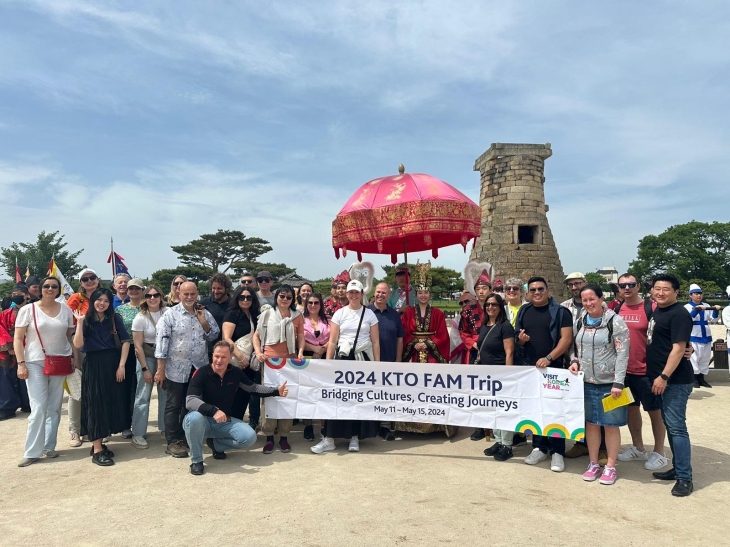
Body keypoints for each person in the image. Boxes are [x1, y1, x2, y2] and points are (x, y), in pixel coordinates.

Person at [183, 341, 289, 475]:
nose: (219, 360)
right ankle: (197, 460)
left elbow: (254, 388)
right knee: (193, 418)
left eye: (223, 357)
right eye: (216, 356)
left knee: (249, 437)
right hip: (202, 421)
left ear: (230, 358)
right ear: (212, 356)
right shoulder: (201, 373)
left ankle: (216, 445)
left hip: (223, 422)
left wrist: (276, 391)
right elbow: (190, 401)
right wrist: (214, 411)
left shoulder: (235, 373)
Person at [567, 284, 630, 485]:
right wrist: (574, 361)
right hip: (586, 382)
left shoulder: (615, 322)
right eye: (585, 300)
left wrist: (619, 382)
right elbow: (573, 348)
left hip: (610, 383)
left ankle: (610, 466)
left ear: (602, 298)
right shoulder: (580, 321)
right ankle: (593, 463)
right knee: (591, 424)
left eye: (592, 299)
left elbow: (622, 353)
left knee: (610, 426)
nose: (588, 303)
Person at [313, 279, 380, 453]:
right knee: (338, 397)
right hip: (342, 359)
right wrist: (328, 363)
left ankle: (355, 436)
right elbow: (333, 341)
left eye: (357, 292)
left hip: (362, 359)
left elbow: (375, 341)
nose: (353, 295)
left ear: (361, 294)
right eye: (351, 292)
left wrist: (378, 365)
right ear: (347, 294)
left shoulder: (370, 315)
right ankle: (329, 438)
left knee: (358, 398)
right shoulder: (339, 314)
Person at [154, 281, 220, 459]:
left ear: (197, 293)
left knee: (192, 404)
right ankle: (173, 441)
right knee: (174, 405)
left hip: (198, 367)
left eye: (192, 294)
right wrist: (160, 369)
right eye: (186, 294)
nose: (189, 297)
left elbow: (214, 334)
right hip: (176, 367)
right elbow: (162, 343)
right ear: (179, 294)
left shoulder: (203, 312)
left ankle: (186, 436)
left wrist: (203, 321)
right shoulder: (170, 315)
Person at [14, 276, 75, 467]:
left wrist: (74, 359)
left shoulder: (65, 309)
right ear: (40, 289)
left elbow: (68, 336)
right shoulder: (27, 310)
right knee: (39, 407)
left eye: (54, 286)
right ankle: (32, 451)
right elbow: (18, 338)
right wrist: (21, 363)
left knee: (54, 407)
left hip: (60, 361)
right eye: (46, 286)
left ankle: (49, 445)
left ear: (58, 289)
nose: (50, 289)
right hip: (34, 361)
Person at [515, 276, 573, 472]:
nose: (537, 293)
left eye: (540, 289)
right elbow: (518, 338)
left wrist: (549, 357)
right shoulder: (524, 310)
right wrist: (521, 340)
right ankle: (539, 447)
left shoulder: (561, 312)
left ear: (547, 291)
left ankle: (557, 451)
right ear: (528, 293)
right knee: (534, 408)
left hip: (554, 367)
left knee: (555, 409)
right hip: (530, 368)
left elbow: (566, 339)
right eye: (533, 290)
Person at [646, 274, 695, 497]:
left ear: (676, 292)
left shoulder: (679, 314)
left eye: (666, 289)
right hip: (661, 378)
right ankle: (678, 469)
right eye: (657, 288)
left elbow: (678, 349)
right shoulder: (659, 310)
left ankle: (685, 477)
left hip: (674, 381)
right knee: (670, 424)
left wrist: (664, 377)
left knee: (676, 427)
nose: (661, 293)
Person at [614, 273, 668, 471]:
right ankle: (638, 447)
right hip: (624, 371)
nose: (627, 288)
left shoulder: (651, 307)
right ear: (618, 288)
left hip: (647, 370)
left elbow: (667, 332)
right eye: (622, 285)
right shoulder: (617, 309)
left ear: (638, 286)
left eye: (631, 284)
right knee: (631, 409)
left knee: (655, 411)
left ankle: (660, 452)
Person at [72, 288, 131, 466]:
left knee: (109, 402)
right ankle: (97, 449)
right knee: (95, 404)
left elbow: (126, 341)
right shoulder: (86, 319)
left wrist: (121, 366)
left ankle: (99, 443)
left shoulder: (114, 319)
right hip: (93, 364)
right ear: (93, 300)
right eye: (99, 300)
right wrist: (80, 323)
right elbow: (78, 344)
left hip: (112, 363)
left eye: (106, 301)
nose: (102, 303)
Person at [396, 263, 454, 437]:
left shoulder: (438, 314)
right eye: (420, 293)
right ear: (416, 295)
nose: (423, 295)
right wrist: (414, 343)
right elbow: (404, 334)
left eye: (426, 293)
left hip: (432, 356)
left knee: (433, 388)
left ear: (430, 295)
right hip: (413, 353)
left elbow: (443, 335)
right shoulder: (407, 314)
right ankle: (407, 425)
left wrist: (428, 343)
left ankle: (435, 425)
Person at [252, 284, 303, 453]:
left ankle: (284, 437)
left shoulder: (297, 315)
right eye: (282, 296)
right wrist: (258, 352)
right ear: (277, 297)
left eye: (289, 297)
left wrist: (300, 352)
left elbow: (301, 336)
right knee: (269, 397)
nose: (285, 300)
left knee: (286, 397)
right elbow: (256, 336)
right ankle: (268, 436)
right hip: (269, 361)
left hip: (289, 360)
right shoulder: (267, 314)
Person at [65, 267, 102, 447]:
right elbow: (68, 327)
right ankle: (75, 431)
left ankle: (91, 429)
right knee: (77, 392)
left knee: (95, 392)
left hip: (99, 350)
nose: (89, 281)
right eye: (85, 279)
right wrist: (74, 356)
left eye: (92, 277)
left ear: (97, 279)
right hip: (79, 347)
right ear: (80, 283)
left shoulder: (103, 296)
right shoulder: (76, 300)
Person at [478, 294, 516, 460]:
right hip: (486, 374)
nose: (490, 307)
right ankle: (499, 440)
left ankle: (507, 444)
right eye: (488, 304)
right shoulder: (484, 325)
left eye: (494, 304)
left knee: (504, 409)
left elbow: (509, 352)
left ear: (501, 307)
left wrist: (507, 376)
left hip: (501, 373)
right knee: (492, 409)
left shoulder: (505, 326)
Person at [130, 284, 167, 449]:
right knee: (143, 396)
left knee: (165, 394)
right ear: (145, 298)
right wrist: (145, 369)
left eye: (156, 295)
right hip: (147, 356)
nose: (153, 298)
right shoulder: (140, 317)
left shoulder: (168, 313)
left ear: (161, 296)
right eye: (149, 296)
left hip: (165, 358)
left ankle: (166, 428)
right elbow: (138, 346)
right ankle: (138, 433)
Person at [221, 285, 261, 426]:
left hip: (250, 363)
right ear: (236, 298)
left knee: (244, 395)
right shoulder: (232, 314)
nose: (245, 300)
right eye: (241, 297)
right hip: (235, 362)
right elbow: (227, 338)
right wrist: (241, 357)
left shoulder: (255, 315)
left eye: (248, 297)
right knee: (230, 396)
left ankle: (237, 426)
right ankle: (224, 428)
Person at [369, 282, 404, 441]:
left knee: (386, 395)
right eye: (378, 292)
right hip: (369, 361)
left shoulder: (394, 314)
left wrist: (398, 359)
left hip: (389, 360)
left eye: (384, 293)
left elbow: (399, 338)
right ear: (374, 293)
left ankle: (384, 426)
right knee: (370, 394)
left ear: (389, 295)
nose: (380, 295)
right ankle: (370, 426)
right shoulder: (366, 312)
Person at [114, 278, 145, 439]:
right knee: (127, 389)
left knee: (141, 389)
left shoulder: (148, 308)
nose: (133, 291)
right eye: (131, 289)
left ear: (142, 290)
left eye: (137, 289)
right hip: (127, 351)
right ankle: (126, 424)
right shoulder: (119, 310)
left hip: (145, 351)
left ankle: (139, 424)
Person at [301, 292, 330, 440]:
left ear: (321, 305)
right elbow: (298, 338)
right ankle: (309, 425)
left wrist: (322, 349)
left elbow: (334, 338)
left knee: (324, 393)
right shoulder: (301, 320)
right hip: (306, 358)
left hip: (325, 358)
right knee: (308, 393)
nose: (313, 305)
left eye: (316, 303)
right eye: (310, 302)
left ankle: (324, 426)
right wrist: (314, 350)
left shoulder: (328, 320)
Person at [0, 285, 31, 420]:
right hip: (8, 352)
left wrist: (22, 348)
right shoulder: (6, 314)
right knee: (6, 379)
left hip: (28, 350)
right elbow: (1, 329)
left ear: (26, 295)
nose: (16, 296)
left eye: (19, 294)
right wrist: (9, 346)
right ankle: (7, 407)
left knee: (27, 378)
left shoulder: (33, 311)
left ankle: (28, 403)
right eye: (14, 294)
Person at [684, 283, 721, 388]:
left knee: (705, 357)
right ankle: (694, 378)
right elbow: (687, 319)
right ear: (690, 295)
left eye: (700, 294)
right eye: (696, 294)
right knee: (694, 357)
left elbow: (713, 320)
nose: (698, 296)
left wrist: (715, 311)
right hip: (694, 334)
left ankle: (701, 378)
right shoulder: (686, 307)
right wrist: (697, 310)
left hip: (706, 334)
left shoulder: (707, 306)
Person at [199, 273, 232, 359]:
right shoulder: (203, 303)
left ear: (227, 289)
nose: (216, 291)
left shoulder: (234, 304)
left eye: (219, 288)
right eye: (213, 288)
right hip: (207, 351)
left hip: (227, 351)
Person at [453, 291, 484, 365]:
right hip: (472, 349)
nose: (464, 304)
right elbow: (463, 333)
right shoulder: (463, 316)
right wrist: (473, 343)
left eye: (466, 301)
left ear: (475, 300)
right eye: (461, 303)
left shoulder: (489, 310)